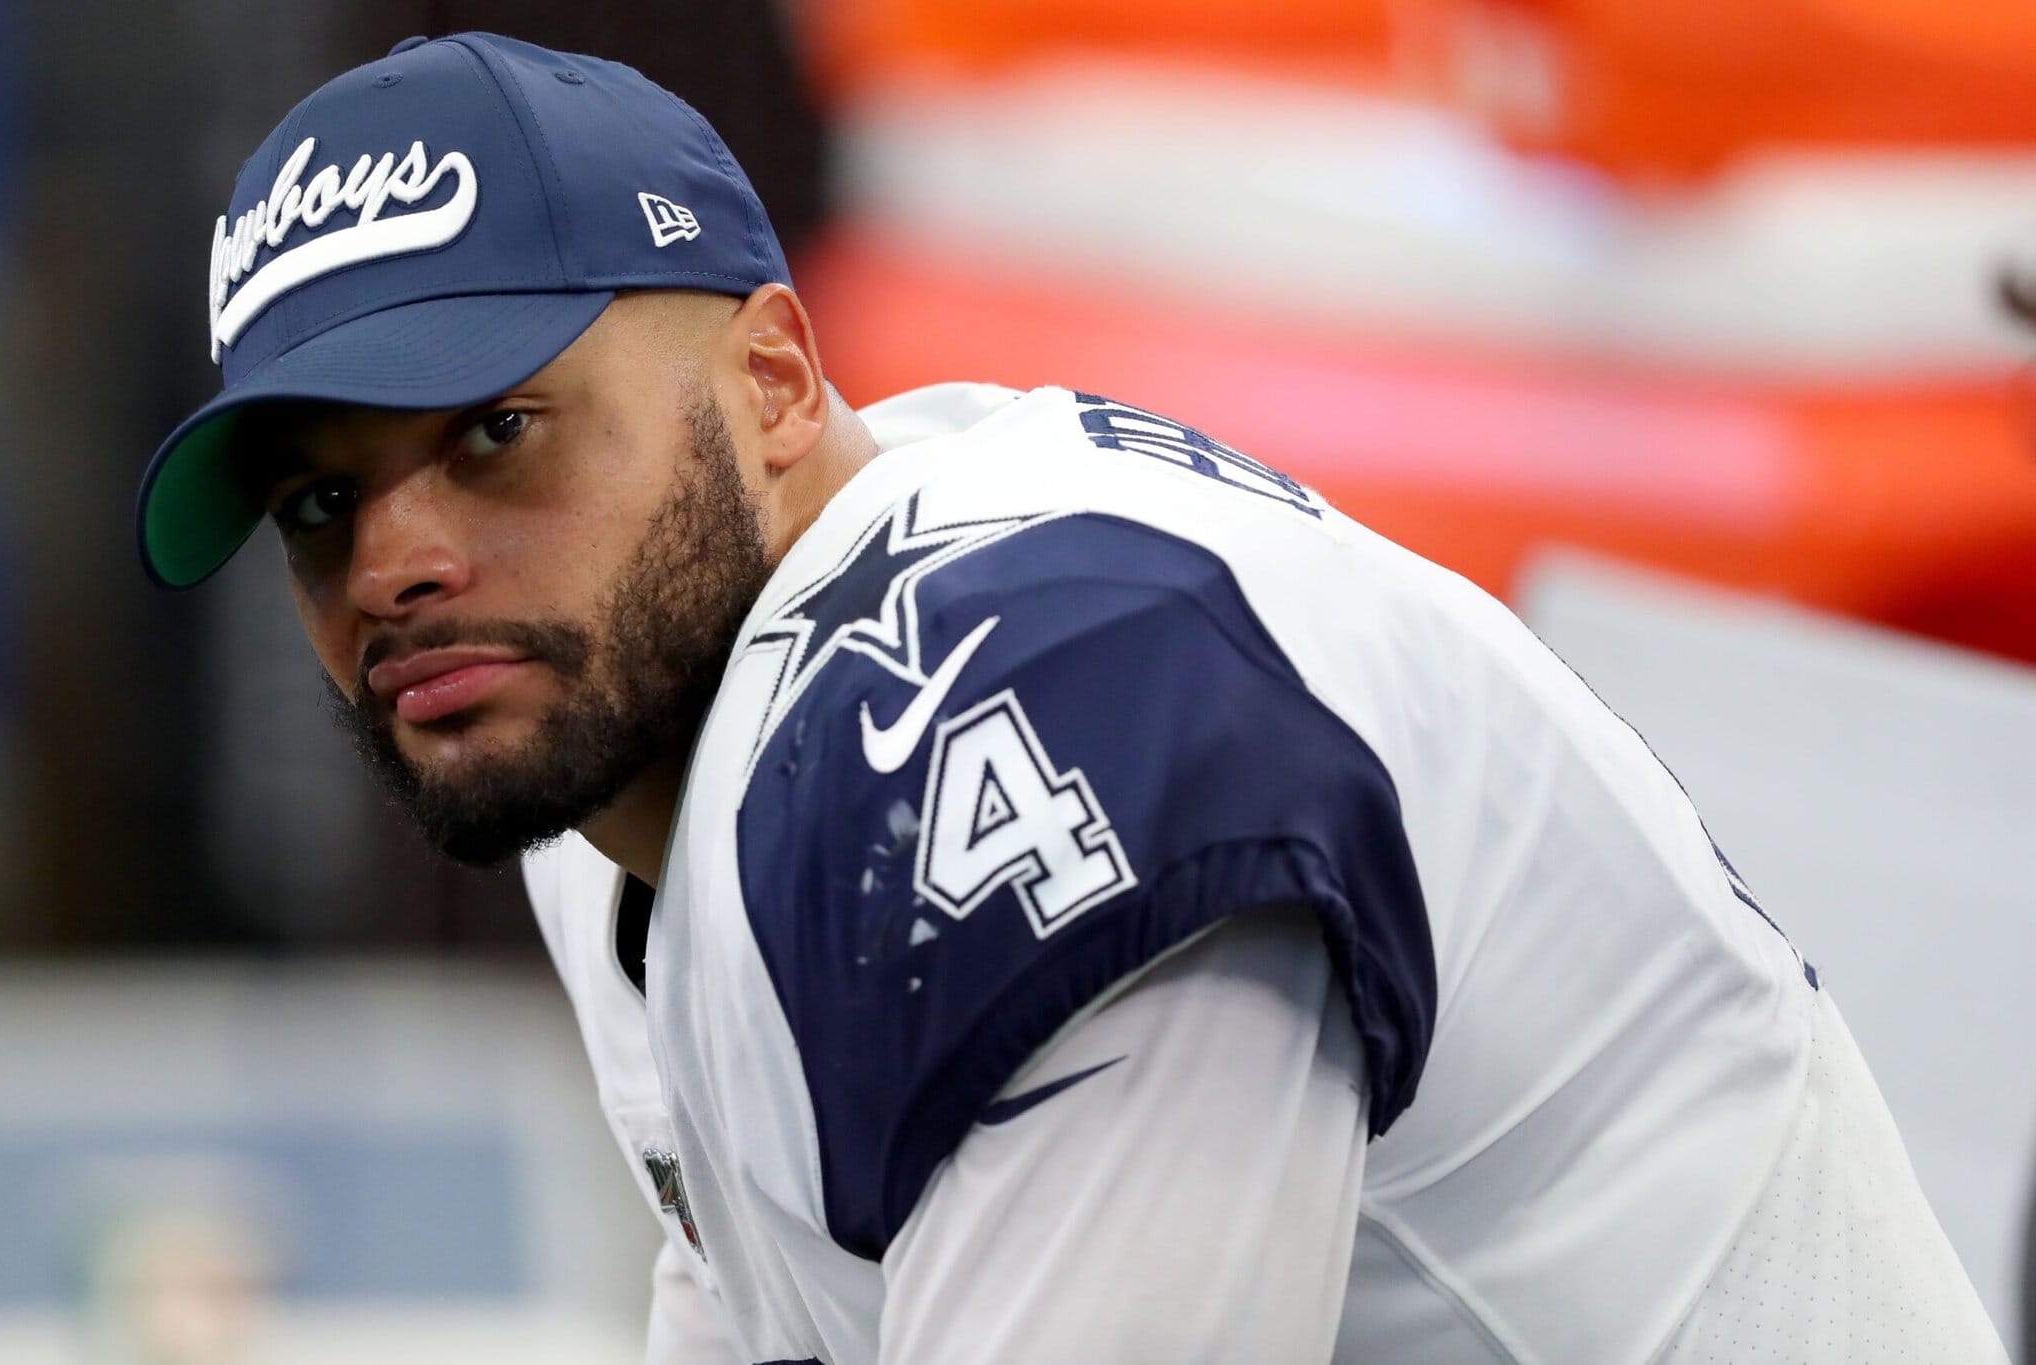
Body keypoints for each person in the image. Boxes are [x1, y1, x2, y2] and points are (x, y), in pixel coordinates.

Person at [137, 32, 2006, 1365]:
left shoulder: (1014, 692)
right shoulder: (618, 758)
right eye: (321, 504)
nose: (396, 563)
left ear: (780, 383)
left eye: (499, 430)